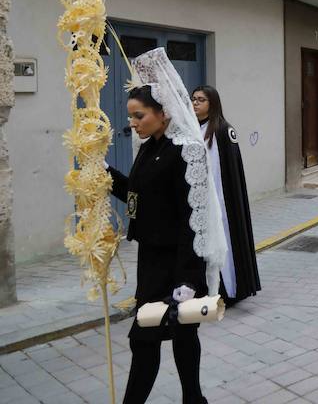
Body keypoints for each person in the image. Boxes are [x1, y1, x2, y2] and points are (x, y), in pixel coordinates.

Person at [106, 48, 228, 404]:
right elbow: (137, 195)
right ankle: (195, 398)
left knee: (145, 337)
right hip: (151, 260)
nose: (133, 123)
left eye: (139, 116)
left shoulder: (186, 150)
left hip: (177, 265)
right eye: (130, 116)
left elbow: (195, 218)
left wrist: (188, 281)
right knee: (177, 335)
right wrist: (107, 177)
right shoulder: (148, 146)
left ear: (163, 113)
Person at [191, 85, 261, 305]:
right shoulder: (194, 128)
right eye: (193, 99)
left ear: (212, 104)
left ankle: (228, 290)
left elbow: (230, 171)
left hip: (222, 201)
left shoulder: (222, 130)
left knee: (225, 244)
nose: (195, 103)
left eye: (201, 100)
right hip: (202, 201)